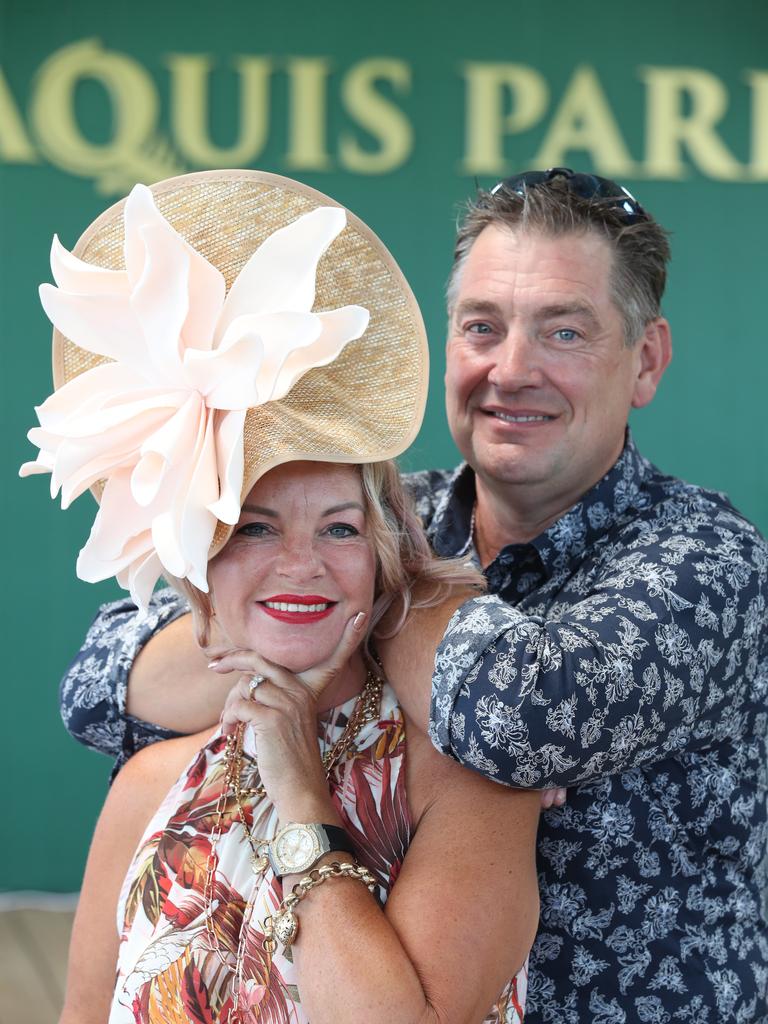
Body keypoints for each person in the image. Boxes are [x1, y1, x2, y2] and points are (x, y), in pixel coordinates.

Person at [57, 169, 768, 1021]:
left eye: (565, 332)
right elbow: (104, 683)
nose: (512, 369)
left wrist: (372, 598)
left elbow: (522, 717)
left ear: (645, 359)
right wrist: (333, 600)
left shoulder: (707, 564)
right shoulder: (389, 514)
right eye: (482, 327)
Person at [22, 169, 539, 1023]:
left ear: (382, 558)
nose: (301, 565)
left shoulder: (465, 783)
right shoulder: (151, 784)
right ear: (199, 560)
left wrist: (301, 793)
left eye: (339, 530)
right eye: (255, 529)